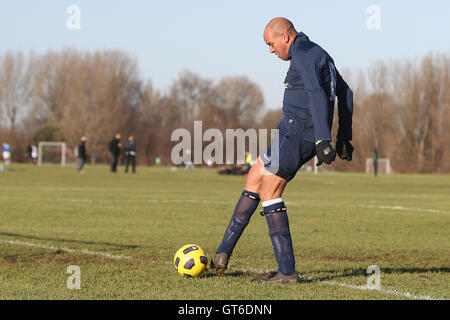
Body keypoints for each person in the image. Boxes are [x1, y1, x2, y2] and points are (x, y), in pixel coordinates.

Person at [210, 17, 354, 284]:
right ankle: (222, 254)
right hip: (288, 129)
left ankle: (287, 272)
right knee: (254, 175)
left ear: (285, 37)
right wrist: (345, 135)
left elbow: (315, 93)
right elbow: (346, 93)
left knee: (270, 190)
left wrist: (324, 139)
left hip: (300, 132)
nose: (271, 50)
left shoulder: (304, 54)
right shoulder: (315, 52)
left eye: (271, 43)